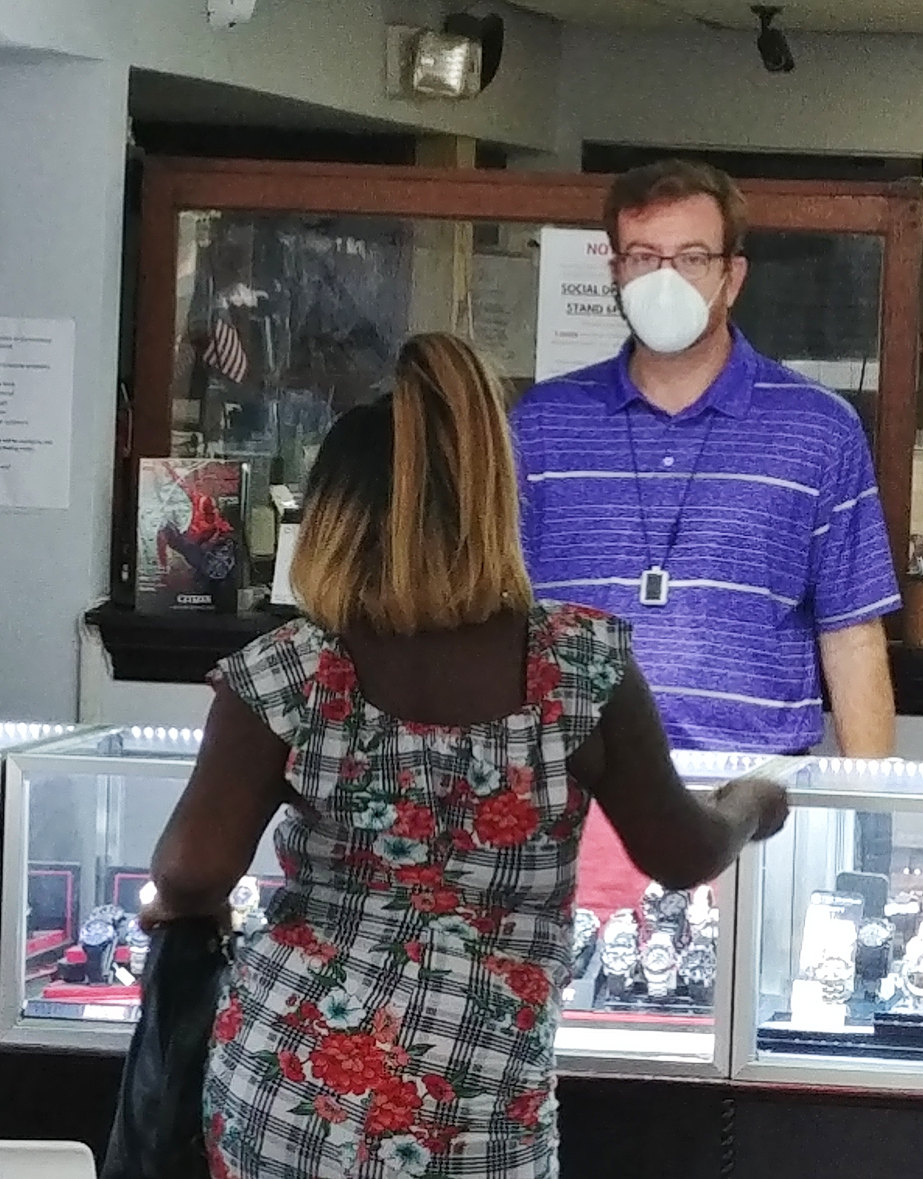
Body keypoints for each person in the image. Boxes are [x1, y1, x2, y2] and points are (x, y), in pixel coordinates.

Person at [143, 332, 789, 1179]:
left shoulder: (291, 666)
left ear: (331, 523)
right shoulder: (580, 664)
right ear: (490, 503)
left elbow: (191, 870)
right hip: (477, 1114)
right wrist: (753, 801)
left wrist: (184, 907)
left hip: (285, 1092)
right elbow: (683, 853)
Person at [511, 159, 900, 759]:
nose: (665, 281)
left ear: (732, 276)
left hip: (750, 798)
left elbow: (851, 636)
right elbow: (490, 614)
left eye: (692, 258)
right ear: (615, 271)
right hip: (567, 798)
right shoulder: (539, 426)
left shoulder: (818, 429)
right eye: (643, 257)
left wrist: (871, 818)